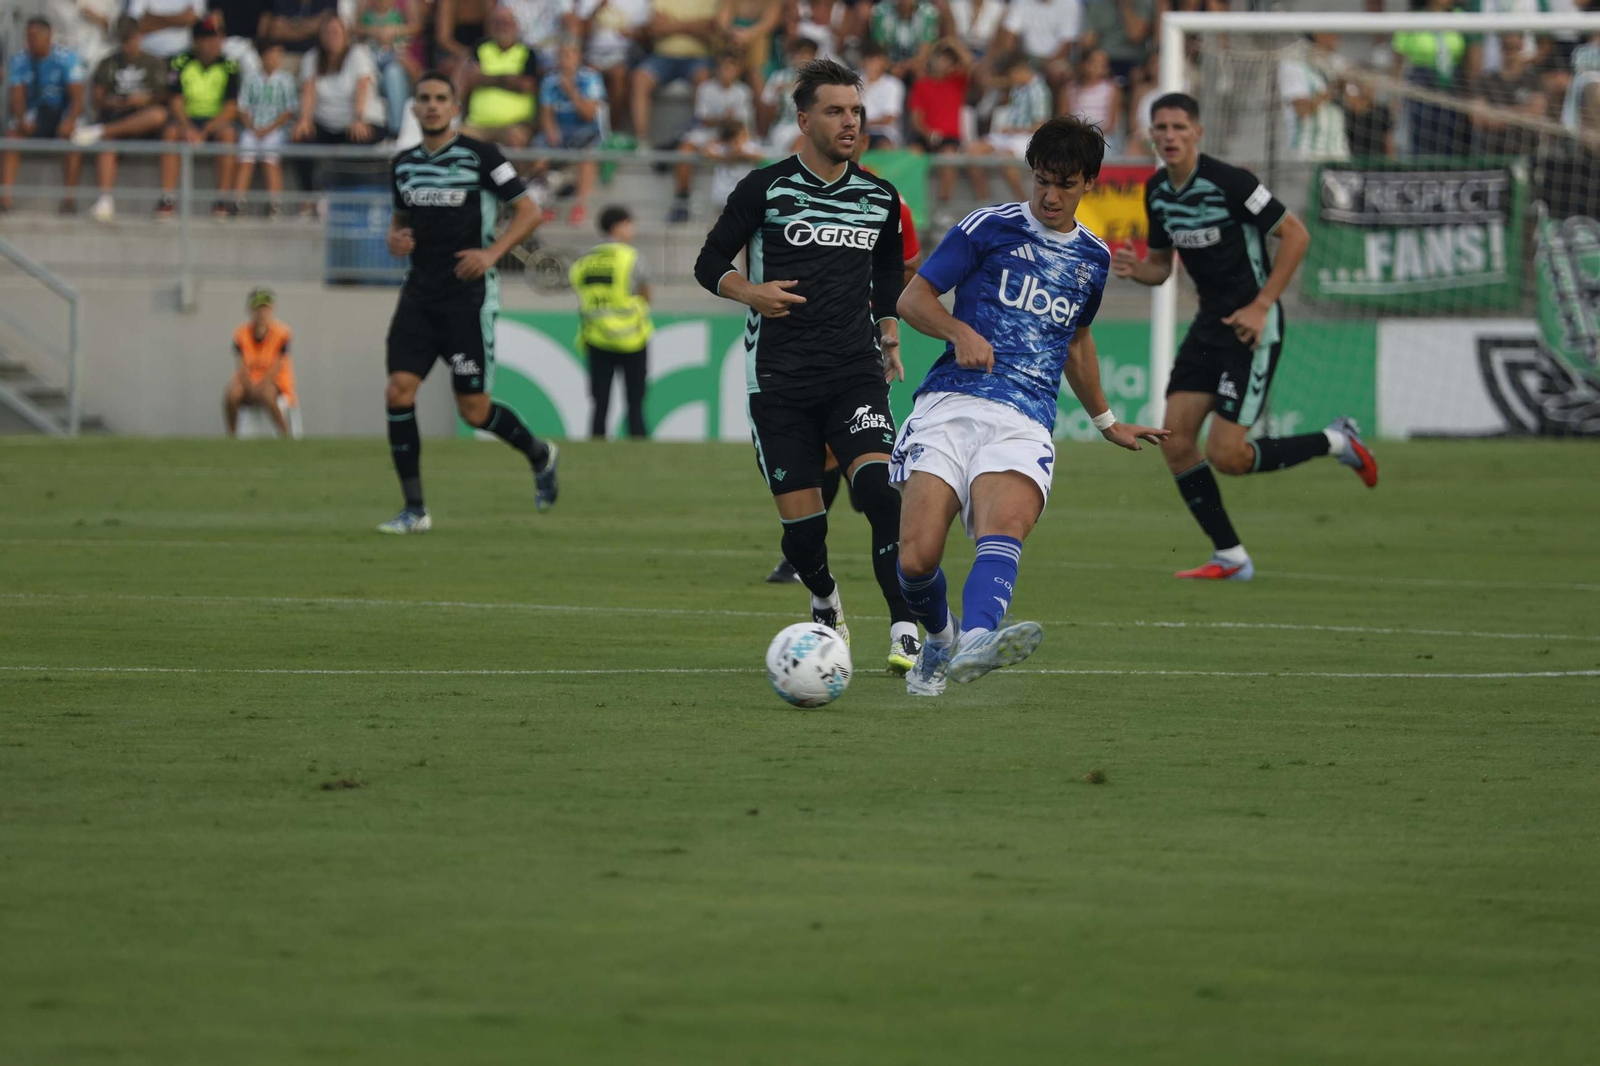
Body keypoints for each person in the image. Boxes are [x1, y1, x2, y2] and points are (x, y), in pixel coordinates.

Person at [890, 116, 1168, 695]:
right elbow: (913, 299)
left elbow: (1077, 341)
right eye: (1041, 179)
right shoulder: (987, 227)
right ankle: (940, 639)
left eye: (1064, 184)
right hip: (951, 403)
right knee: (916, 560)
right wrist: (957, 332)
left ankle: (976, 644)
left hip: (1025, 419)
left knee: (1004, 525)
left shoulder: (1091, 259)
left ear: (1088, 183)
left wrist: (1106, 420)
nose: (1049, 194)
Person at [694, 57, 922, 676]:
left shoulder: (880, 196)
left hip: (854, 370)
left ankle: (904, 622)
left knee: (880, 491)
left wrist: (890, 332)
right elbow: (709, 260)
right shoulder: (765, 188)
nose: (849, 123)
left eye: (856, 111)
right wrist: (752, 292)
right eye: (835, 111)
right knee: (804, 534)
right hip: (779, 378)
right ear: (803, 119)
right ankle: (824, 600)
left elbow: (885, 269)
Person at [1111, 93, 1377, 583]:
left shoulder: (1232, 182)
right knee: (1175, 441)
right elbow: (1161, 269)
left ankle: (1337, 440)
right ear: (1151, 135)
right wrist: (1135, 269)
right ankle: (1230, 556)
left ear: (1197, 133)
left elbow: (1296, 235)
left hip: (1253, 327)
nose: (1168, 136)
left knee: (1227, 455)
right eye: (1160, 128)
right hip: (1209, 324)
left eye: (1178, 126)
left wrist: (1260, 306)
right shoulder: (1156, 192)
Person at [380, 71, 559, 534]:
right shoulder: (402, 163)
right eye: (425, 99)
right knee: (399, 390)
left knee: (474, 411)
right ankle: (414, 509)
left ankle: (539, 454)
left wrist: (492, 253)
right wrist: (395, 238)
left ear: (455, 107)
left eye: (442, 98)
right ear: (415, 108)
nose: (433, 105)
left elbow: (528, 210)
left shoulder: (482, 156)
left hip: (467, 296)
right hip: (418, 293)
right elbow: (402, 220)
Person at [763, 99, 921, 585]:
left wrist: (877, 304)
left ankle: (806, 552)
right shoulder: (793, 193)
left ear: (864, 141)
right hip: (802, 343)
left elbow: (907, 263)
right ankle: (807, 549)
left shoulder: (887, 201)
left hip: (858, 342)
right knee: (823, 449)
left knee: (839, 448)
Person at [74, 17, 172, 223]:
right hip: (117, 114)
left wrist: (146, 99)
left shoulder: (154, 62)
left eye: (131, 39)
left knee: (159, 115)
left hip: (144, 120)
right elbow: (98, 98)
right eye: (123, 40)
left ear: (139, 36)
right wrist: (115, 102)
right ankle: (105, 200)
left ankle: (101, 131)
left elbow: (165, 97)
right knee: (108, 144)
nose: (127, 45)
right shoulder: (108, 62)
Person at [571, 205, 654, 439]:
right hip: (632, 338)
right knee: (635, 403)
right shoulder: (632, 258)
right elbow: (646, 295)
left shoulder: (584, 260)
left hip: (596, 337)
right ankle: (638, 449)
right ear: (618, 227)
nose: (632, 229)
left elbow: (579, 291)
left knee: (600, 402)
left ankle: (596, 449)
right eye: (629, 224)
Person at [291, 16, 383, 210]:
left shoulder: (358, 53)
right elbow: (309, 92)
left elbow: (362, 87)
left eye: (336, 32)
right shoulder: (312, 58)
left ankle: (341, 198)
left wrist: (358, 118)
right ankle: (309, 195)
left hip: (359, 120)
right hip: (326, 122)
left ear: (345, 34)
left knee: (357, 140)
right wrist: (304, 120)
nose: (331, 36)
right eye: (327, 32)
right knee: (299, 138)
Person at [156, 15, 241, 220]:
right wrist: (188, 128)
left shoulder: (229, 66)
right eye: (208, 39)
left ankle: (222, 199)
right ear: (196, 41)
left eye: (216, 38)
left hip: (214, 122)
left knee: (229, 135)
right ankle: (167, 198)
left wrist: (205, 131)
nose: (214, 43)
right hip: (187, 119)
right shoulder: (180, 62)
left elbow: (231, 107)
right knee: (170, 132)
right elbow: (175, 102)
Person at [2, 17, 86, 215]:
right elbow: (17, 94)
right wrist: (22, 119)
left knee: (74, 140)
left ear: (48, 36)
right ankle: (5, 199)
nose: (30, 41)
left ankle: (69, 200)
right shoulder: (20, 60)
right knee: (11, 137)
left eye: (34, 36)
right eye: (28, 37)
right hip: (34, 114)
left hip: (61, 114)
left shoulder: (67, 58)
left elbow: (77, 98)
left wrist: (69, 121)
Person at [671, 51, 755, 221]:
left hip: (730, 136)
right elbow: (703, 120)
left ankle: (742, 202)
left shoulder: (743, 92)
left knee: (744, 150)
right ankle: (682, 201)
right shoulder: (705, 88)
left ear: (738, 70)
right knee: (684, 150)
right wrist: (724, 119)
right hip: (706, 134)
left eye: (732, 68)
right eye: (724, 68)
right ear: (717, 69)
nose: (727, 72)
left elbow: (739, 126)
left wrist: (723, 127)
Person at [629, 0, 718, 149]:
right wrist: (691, 25)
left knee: (703, 78)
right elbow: (654, 29)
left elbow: (710, 29)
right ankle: (641, 141)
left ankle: (698, 139)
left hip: (698, 58)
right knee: (640, 78)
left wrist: (672, 25)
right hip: (662, 57)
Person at [538, 38, 606, 226]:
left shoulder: (591, 78)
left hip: (586, 129)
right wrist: (551, 131)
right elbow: (546, 114)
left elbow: (590, 114)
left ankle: (579, 206)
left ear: (578, 56)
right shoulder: (550, 80)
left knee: (587, 155)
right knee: (539, 153)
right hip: (562, 130)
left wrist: (571, 91)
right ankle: (547, 204)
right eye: (561, 55)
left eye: (568, 54)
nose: (564, 59)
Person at [969, 52, 1050, 201]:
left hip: (1027, 136)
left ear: (1020, 70)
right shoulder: (1018, 87)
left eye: (1010, 74)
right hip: (1008, 135)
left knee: (1006, 157)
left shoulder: (1039, 91)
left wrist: (1015, 130)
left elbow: (1040, 126)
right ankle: (984, 201)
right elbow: (997, 83)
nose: (1009, 79)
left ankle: (1023, 201)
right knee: (973, 151)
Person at [234, 38, 297, 219]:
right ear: (262, 57)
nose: (273, 59)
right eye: (269, 54)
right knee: (246, 155)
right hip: (253, 129)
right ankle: (238, 202)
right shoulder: (251, 79)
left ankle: (274, 204)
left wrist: (269, 129)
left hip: (276, 129)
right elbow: (243, 108)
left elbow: (289, 110)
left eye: (277, 54)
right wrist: (253, 128)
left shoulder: (286, 80)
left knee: (270, 156)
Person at [226, 287, 298, 437]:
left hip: (275, 384)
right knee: (232, 394)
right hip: (249, 384)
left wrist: (260, 385)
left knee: (267, 394)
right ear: (251, 310)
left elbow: (278, 366)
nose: (262, 313)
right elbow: (241, 365)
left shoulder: (281, 333)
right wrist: (249, 386)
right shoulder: (241, 333)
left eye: (266, 308)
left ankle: (284, 435)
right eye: (259, 308)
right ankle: (232, 437)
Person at [461, 6, 537, 148]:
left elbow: (526, 86)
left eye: (507, 23)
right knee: (456, 140)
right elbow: (472, 79)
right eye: (498, 23)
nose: (502, 27)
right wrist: (508, 79)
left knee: (517, 139)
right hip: (478, 124)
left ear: (516, 26)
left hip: (514, 125)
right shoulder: (480, 48)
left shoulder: (527, 53)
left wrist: (487, 78)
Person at [1278, 33, 1349, 163]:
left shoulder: (1338, 63)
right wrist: (1333, 88)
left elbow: (1358, 106)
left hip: (1338, 150)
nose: (1337, 37)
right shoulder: (1294, 65)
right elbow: (1302, 110)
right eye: (1332, 32)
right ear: (1318, 35)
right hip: (1308, 152)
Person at [357, 0, 422, 137]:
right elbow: (351, 27)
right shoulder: (365, 6)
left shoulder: (402, 8)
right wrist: (374, 31)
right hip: (370, 59)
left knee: (394, 73)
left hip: (395, 58)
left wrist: (394, 31)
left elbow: (417, 26)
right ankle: (362, 127)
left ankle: (396, 132)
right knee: (364, 71)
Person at [858, 42, 905, 147]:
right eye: (870, 60)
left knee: (884, 145)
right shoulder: (854, 82)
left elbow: (889, 118)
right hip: (858, 132)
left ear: (883, 61)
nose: (872, 64)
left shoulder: (894, 85)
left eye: (876, 60)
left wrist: (864, 124)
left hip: (884, 133)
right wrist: (866, 85)